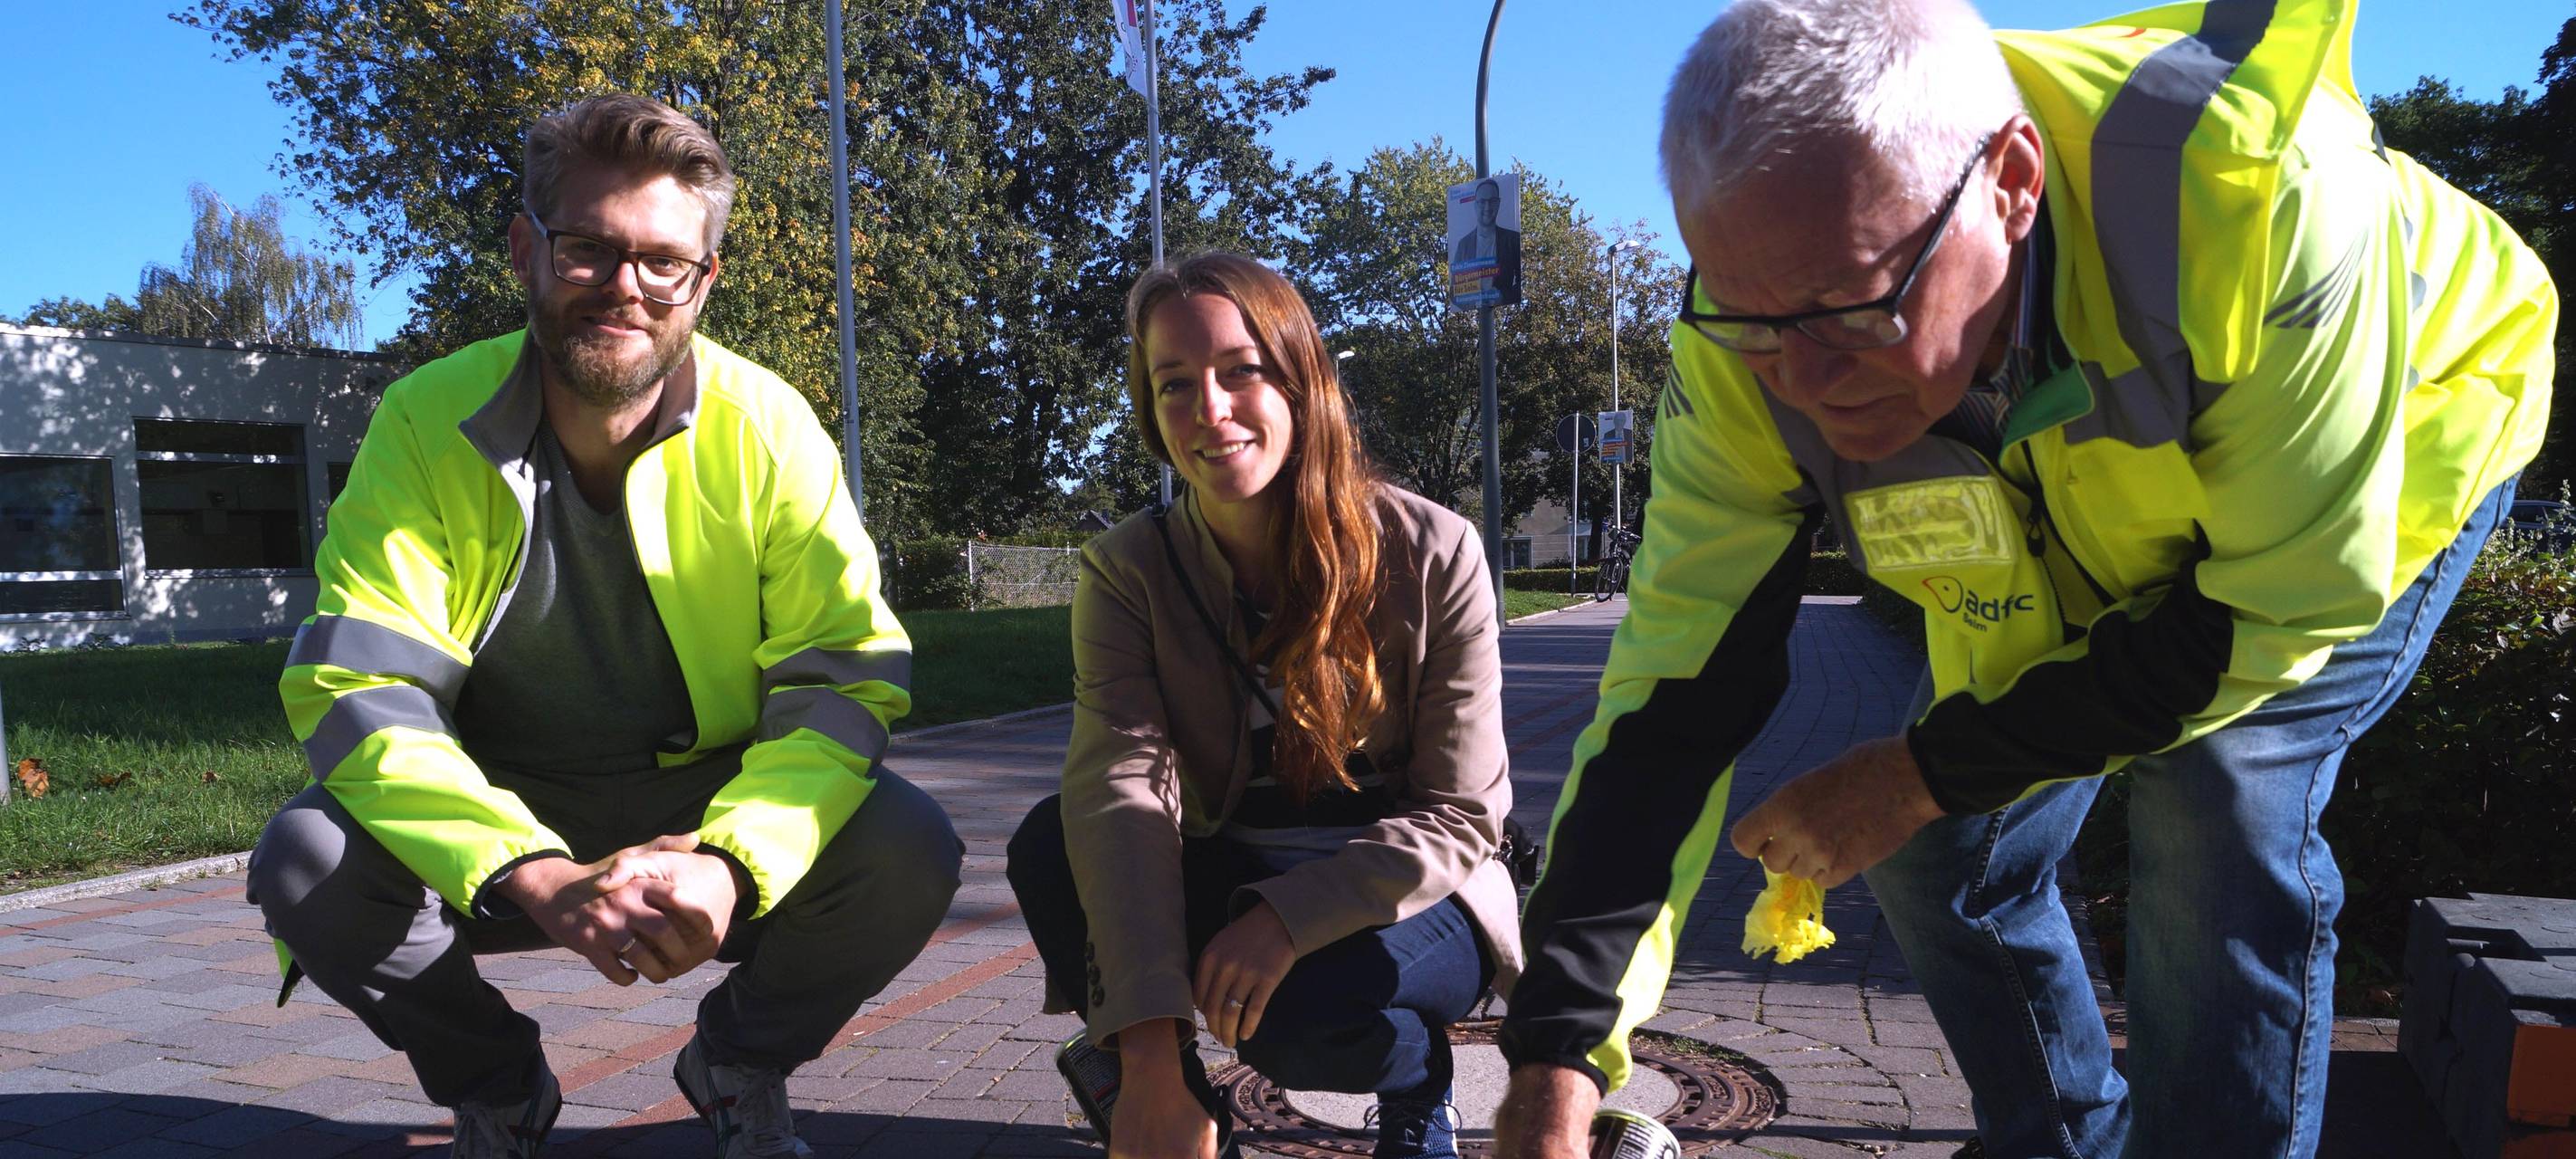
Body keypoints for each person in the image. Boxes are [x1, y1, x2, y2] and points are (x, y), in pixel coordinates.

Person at [1494, 2, 2554, 1157]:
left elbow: (2267, 604)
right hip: (2099, 509)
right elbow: (1668, 699)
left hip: (2388, 448)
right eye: (1748, 318)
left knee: (2217, 800)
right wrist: (1556, 1057)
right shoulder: (1754, 331)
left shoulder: (2260, 203)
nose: (1798, 378)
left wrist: (1916, 768)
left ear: (2009, 179)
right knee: (1935, 845)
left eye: (1852, 306)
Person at [248, 94, 964, 1159]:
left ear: (704, 280)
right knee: (305, 855)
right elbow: (360, 687)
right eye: (588, 247)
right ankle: (497, 1086)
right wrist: (529, 868)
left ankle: (738, 1059)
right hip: (491, 801)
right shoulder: (422, 419)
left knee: (908, 844)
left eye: (663, 261)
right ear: (525, 249)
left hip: (707, 797)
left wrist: (733, 861)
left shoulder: (768, 426)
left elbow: (842, 680)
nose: (625, 286)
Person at [1007, 252, 1525, 1159]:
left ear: (1300, 378)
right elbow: (1119, 793)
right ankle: (1167, 1110)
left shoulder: (1435, 549)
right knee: (1055, 839)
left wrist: (1287, 916)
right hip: (1235, 857)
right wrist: (1153, 1058)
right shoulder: (1128, 570)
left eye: (1239, 370)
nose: (1207, 409)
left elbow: (1464, 811)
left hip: (1414, 889)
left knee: (1292, 1021)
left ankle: (1417, 1078)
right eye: (1174, 383)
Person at [1450, 178, 1523, 302]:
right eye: (1482, 202)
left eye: (1492, 201)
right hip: (1473, 316)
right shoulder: (1464, 244)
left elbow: (1523, 282)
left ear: (1499, 203)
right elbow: (1454, 291)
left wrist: (1502, 296)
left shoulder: (1512, 240)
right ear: (1475, 205)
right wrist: (1473, 302)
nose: (1487, 207)